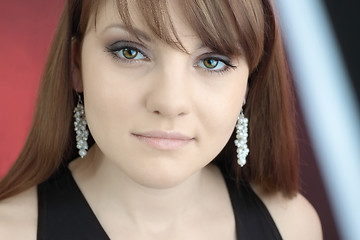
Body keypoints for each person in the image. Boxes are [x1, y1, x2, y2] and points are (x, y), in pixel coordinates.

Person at [0, 0, 322, 239]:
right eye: (130, 52)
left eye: (211, 61)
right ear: (76, 65)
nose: (170, 103)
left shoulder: (292, 227)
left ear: (248, 85)